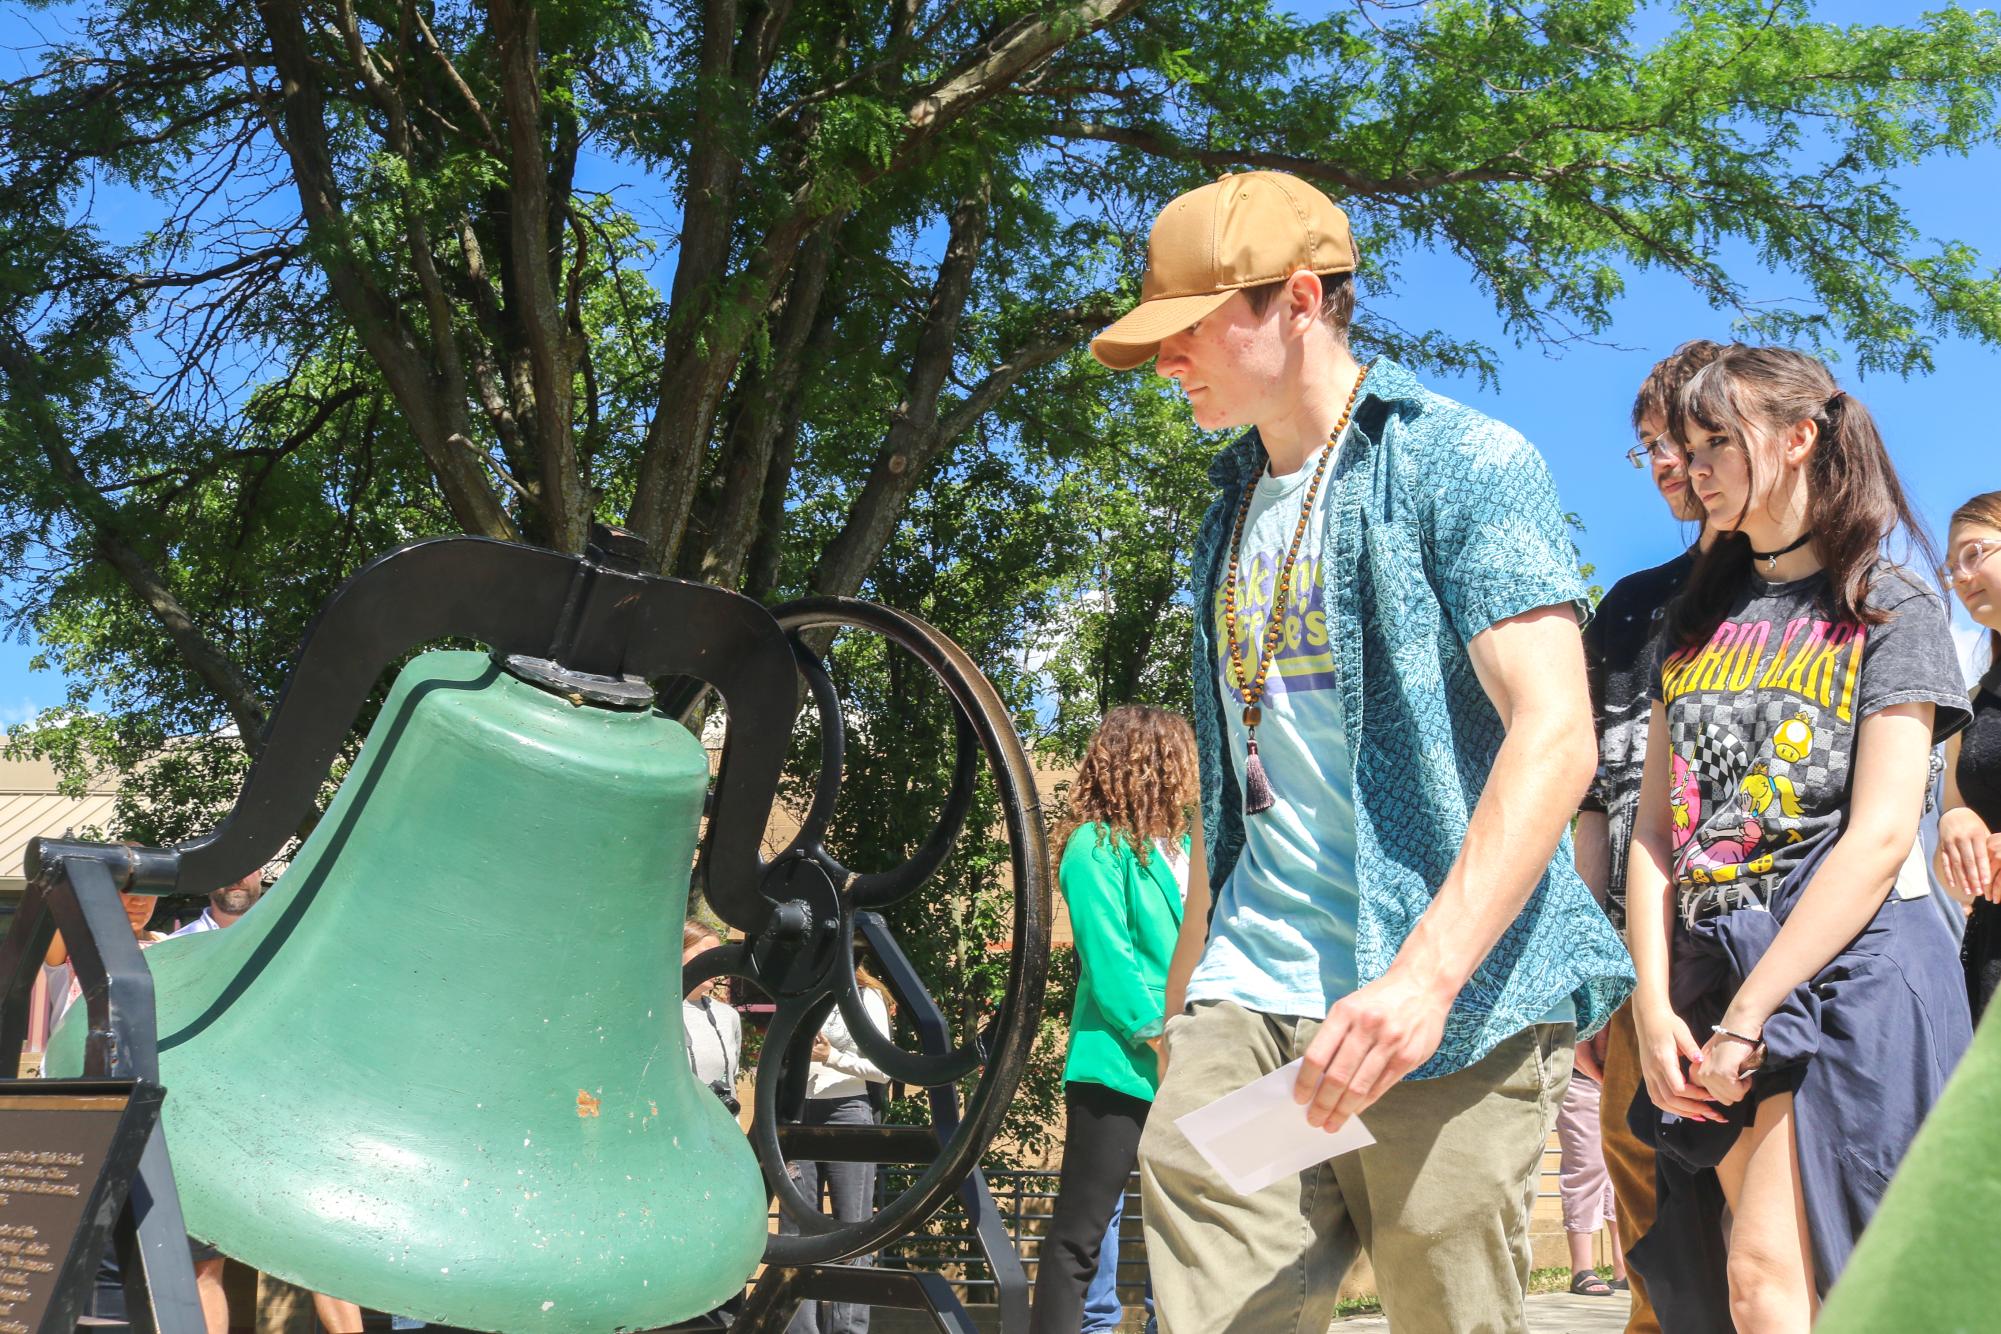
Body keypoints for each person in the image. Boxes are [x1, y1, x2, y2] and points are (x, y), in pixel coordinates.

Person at [1091, 170, 1633, 1333]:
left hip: (1453, 1005)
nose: (1165, 361)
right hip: (1252, 1003)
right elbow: (1242, 785)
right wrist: (1191, 1002)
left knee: (1445, 1308)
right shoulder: (1226, 508)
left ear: (1297, 299)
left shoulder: (1460, 462)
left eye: (1189, 329)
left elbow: (1557, 729)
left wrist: (1420, 982)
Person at [1625, 345, 1973, 1330]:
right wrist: (1652, 1001)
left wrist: (1753, 1012)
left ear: (1797, 438)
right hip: (1706, 978)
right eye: (1685, 447)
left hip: (1843, 977)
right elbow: (1657, 827)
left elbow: (1875, 836)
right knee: (1758, 1284)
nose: (1693, 467)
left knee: (1800, 1286)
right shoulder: (1693, 620)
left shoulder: (1888, 603)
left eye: (1716, 442)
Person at [1575, 338, 1725, 1333]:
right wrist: (1591, 973)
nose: (1664, 462)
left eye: (1672, 439)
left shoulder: (1808, 593)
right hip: (1638, 953)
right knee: (1648, 1219)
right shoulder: (1629, 607)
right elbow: (1592, 802)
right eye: (1646, 448)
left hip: (1760, 937)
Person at [1030, 706, 1194, 1334]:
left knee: (1189, 1229)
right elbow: (1110, 962)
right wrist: (1159, 1039)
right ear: (1152, 761)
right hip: (1122, 1066)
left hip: (1192, 1061)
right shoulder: (1094, 847)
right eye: (1182, 757)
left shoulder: (1185, 850)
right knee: (1082, 1231)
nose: (1193, 773)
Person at [780, 959, 894, 1334]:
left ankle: (847, 1329)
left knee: (853, 1227)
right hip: (798, 1109)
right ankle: (799, 1330)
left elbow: (884, 1068)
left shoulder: (866, 996)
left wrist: (832, 1057)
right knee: (796, 1229)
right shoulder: (799, 991)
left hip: (847, 1108)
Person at [1934, 490, 2001, 1015]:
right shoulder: (1972, 702)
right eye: (1952, 566)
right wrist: (1953, 822)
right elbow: (1955, 817)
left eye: (1975, 554)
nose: (1960, 577)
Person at [1554, 1070, 1626, 1296]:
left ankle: (1624, 1269)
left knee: (1622, 1168)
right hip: (1580, 1073)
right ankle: (1581, 1269)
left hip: (1622, 1074)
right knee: (1587, 1164)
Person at [682, 920, 743, 1110]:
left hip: (723, 1127)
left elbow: (731, 1076)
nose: (712, 964)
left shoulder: (728, 1016)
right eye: (704, 955)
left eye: (715, 957)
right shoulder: (657, 1014)